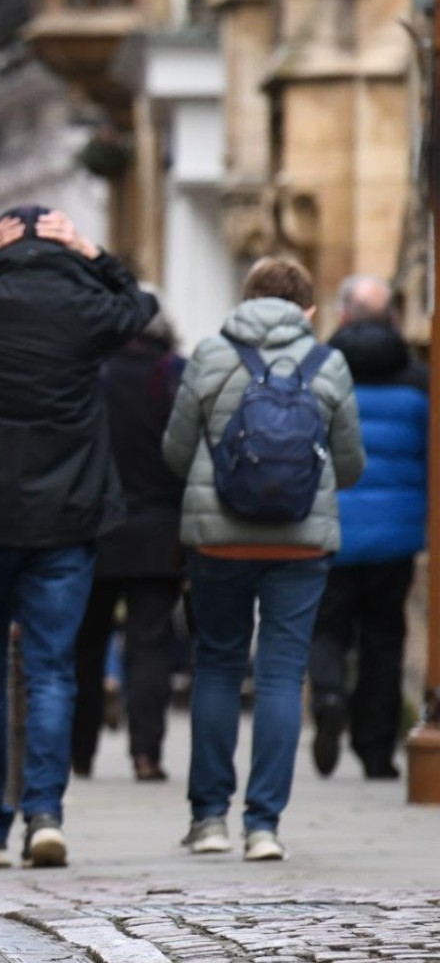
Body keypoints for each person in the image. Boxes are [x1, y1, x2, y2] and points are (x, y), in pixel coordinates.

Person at [0, 206, 157, 869]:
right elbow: (139, 306)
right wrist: (96, 253)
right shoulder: (85, 306)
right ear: (62, 245)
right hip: (65, 521)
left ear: (2, 243)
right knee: (51, 671)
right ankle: (44, 812)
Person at [162, 256, 364, 862]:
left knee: (220, 666)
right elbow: (350, 466)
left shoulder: (208, 354)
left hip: (218, 536)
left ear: (245, 299)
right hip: (301, 539)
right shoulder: (328, 363)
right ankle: (264, 825)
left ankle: (208, 820)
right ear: (308, 309)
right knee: (281, 673)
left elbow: (174, 453)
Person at [310, 274, 426, 780]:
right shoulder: (420, 377)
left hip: (332, 528)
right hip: (397, 536)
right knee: (384, 638)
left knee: (327, 627)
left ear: (342, 315)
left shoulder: (317, 371)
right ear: (394, 318)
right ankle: (376, 750)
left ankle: (330, 693)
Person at [70, 313, 187, 783]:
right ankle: (146, 754)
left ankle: (80, 752)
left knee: (86, 646)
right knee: (151, 647)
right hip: (159, 533)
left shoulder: (91, 373)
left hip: (95, 530)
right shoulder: (172, 374)